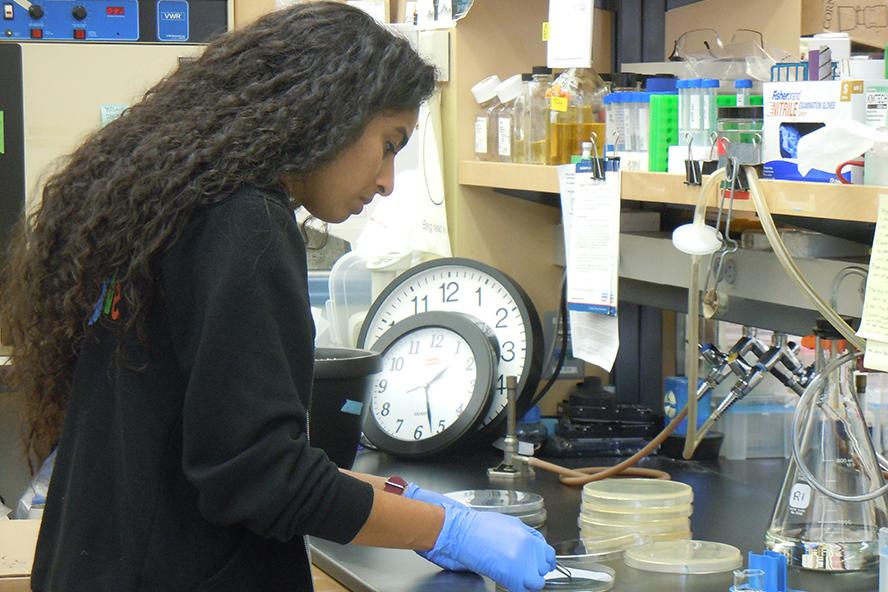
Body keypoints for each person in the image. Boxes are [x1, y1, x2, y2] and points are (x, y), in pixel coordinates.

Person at [0, 3, 555, 591]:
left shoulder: (177, 209)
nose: (388, 181)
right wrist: (442, 529)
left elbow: (222, 453)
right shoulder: (247, 223)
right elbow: (265, 481)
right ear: (332, 115)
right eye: (390, 144)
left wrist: (410, 502)